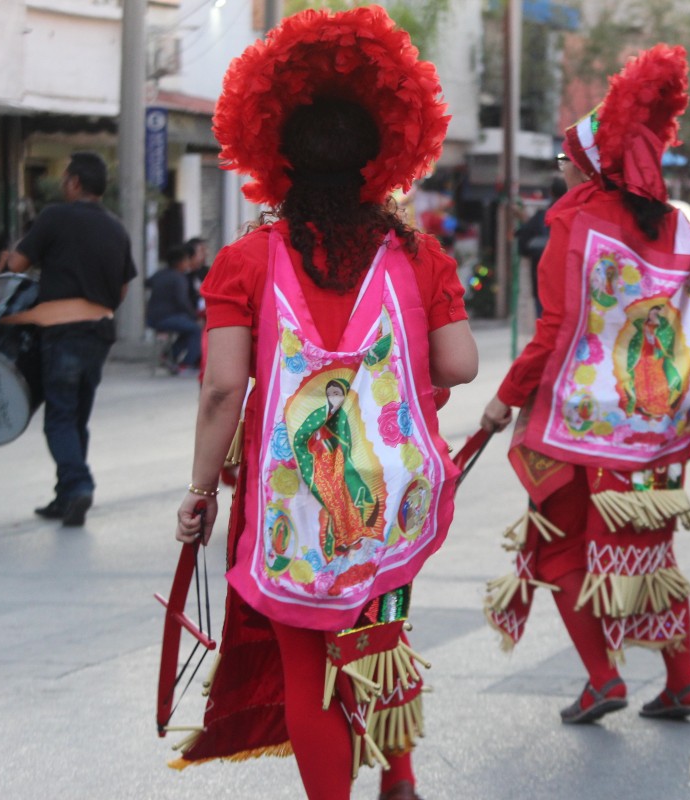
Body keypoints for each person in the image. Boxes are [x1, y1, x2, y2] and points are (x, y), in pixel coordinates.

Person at [169, 9, 475, 800]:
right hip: (394, 490)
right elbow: (461, 365)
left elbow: (221, 390)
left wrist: (200, 491)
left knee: (310, 669)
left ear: (277, 159)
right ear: (380, 161)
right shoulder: (418, 254)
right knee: (380, 634)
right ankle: (398, 775)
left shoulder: (246, 260)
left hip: (293, 500)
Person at [481, 44, 690, 725]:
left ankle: (601, 677)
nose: (559, 173)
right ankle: (683, 681)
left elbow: (555, 328)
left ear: (586, 164)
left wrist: (506, 398)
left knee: (557, 547)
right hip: (655, 424)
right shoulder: (680, 226)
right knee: (650, 554)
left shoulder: (573, 222)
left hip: (578, 426)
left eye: (564, 161)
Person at [3, 151, 137, 527]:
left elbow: (16, 266)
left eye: (65, 178)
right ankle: (65, 497)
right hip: (98, 333)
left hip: (61, 333)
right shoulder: (116, 228)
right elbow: (123, 289)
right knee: (77, 416)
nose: (63, 184)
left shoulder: (55, 217)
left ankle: (78, 485)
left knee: (59, 417)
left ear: (75, 182)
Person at [515, 176, 567, 316]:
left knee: (543, 320)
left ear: (551, 192)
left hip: (541, 280)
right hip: (566, 283)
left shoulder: (541, 216)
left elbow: (523, 244)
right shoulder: (574, 214)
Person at [146, 244, 202, 371]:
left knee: (188, 330)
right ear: (179, 262)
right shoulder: (179, 278)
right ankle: (186, 364)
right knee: (196, 329)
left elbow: (147, 283)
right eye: (186, 260)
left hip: (152, 317)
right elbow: (182, 301)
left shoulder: (160, 274)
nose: (188, 264)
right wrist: (194, 316)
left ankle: (169, 355)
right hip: (166, 317)